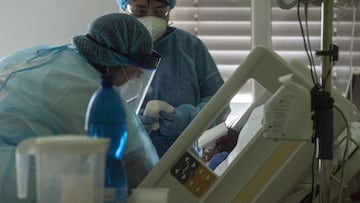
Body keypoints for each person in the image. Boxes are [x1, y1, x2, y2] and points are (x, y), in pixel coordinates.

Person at [0, 13, 161, 202]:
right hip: (11, 176)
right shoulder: (91, 90)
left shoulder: (45, 54)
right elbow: (144, 175)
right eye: (136, 72)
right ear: (115, 64)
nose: (135, 78)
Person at [117, 0, 230, 157]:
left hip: (182, 157)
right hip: (127, 157)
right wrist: (129, 123)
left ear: (169, 10)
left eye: (159, 12)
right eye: (139, 11)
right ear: (124, 10)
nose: (150, 18)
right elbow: (92, 107)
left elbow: (220, 103)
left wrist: (190, 118)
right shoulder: (113, 48)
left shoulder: (190, 47)